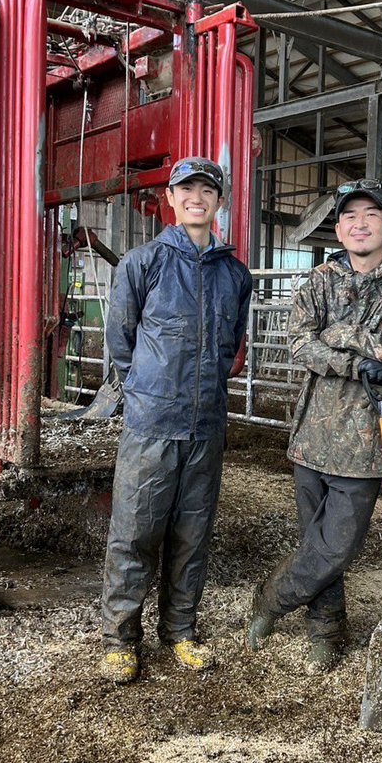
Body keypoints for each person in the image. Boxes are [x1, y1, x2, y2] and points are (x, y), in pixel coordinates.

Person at [245, 179, 382, 673]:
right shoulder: (320, 280)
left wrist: (334, 333)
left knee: (335, 546)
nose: (360, 223)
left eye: (371, 214)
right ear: (339, 227)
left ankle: (271, 599)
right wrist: (352, 358)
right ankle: (325, 630)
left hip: (371, 438)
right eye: (350, 216)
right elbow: (299, 344)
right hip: (311, 434)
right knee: (317, 544)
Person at [99, 157, 253, 683]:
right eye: (187, 189)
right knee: (135, 531)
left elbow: (231, 346)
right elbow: (121, 342)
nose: (197, 198)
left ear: (219, 202)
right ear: (170, 198)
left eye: (207, 190)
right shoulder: (142, 264)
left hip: (207, 426)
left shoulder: (236, 275)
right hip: (151, 425)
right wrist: (147, 393)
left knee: (192, 534)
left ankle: (181, 631)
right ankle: (120, 638)